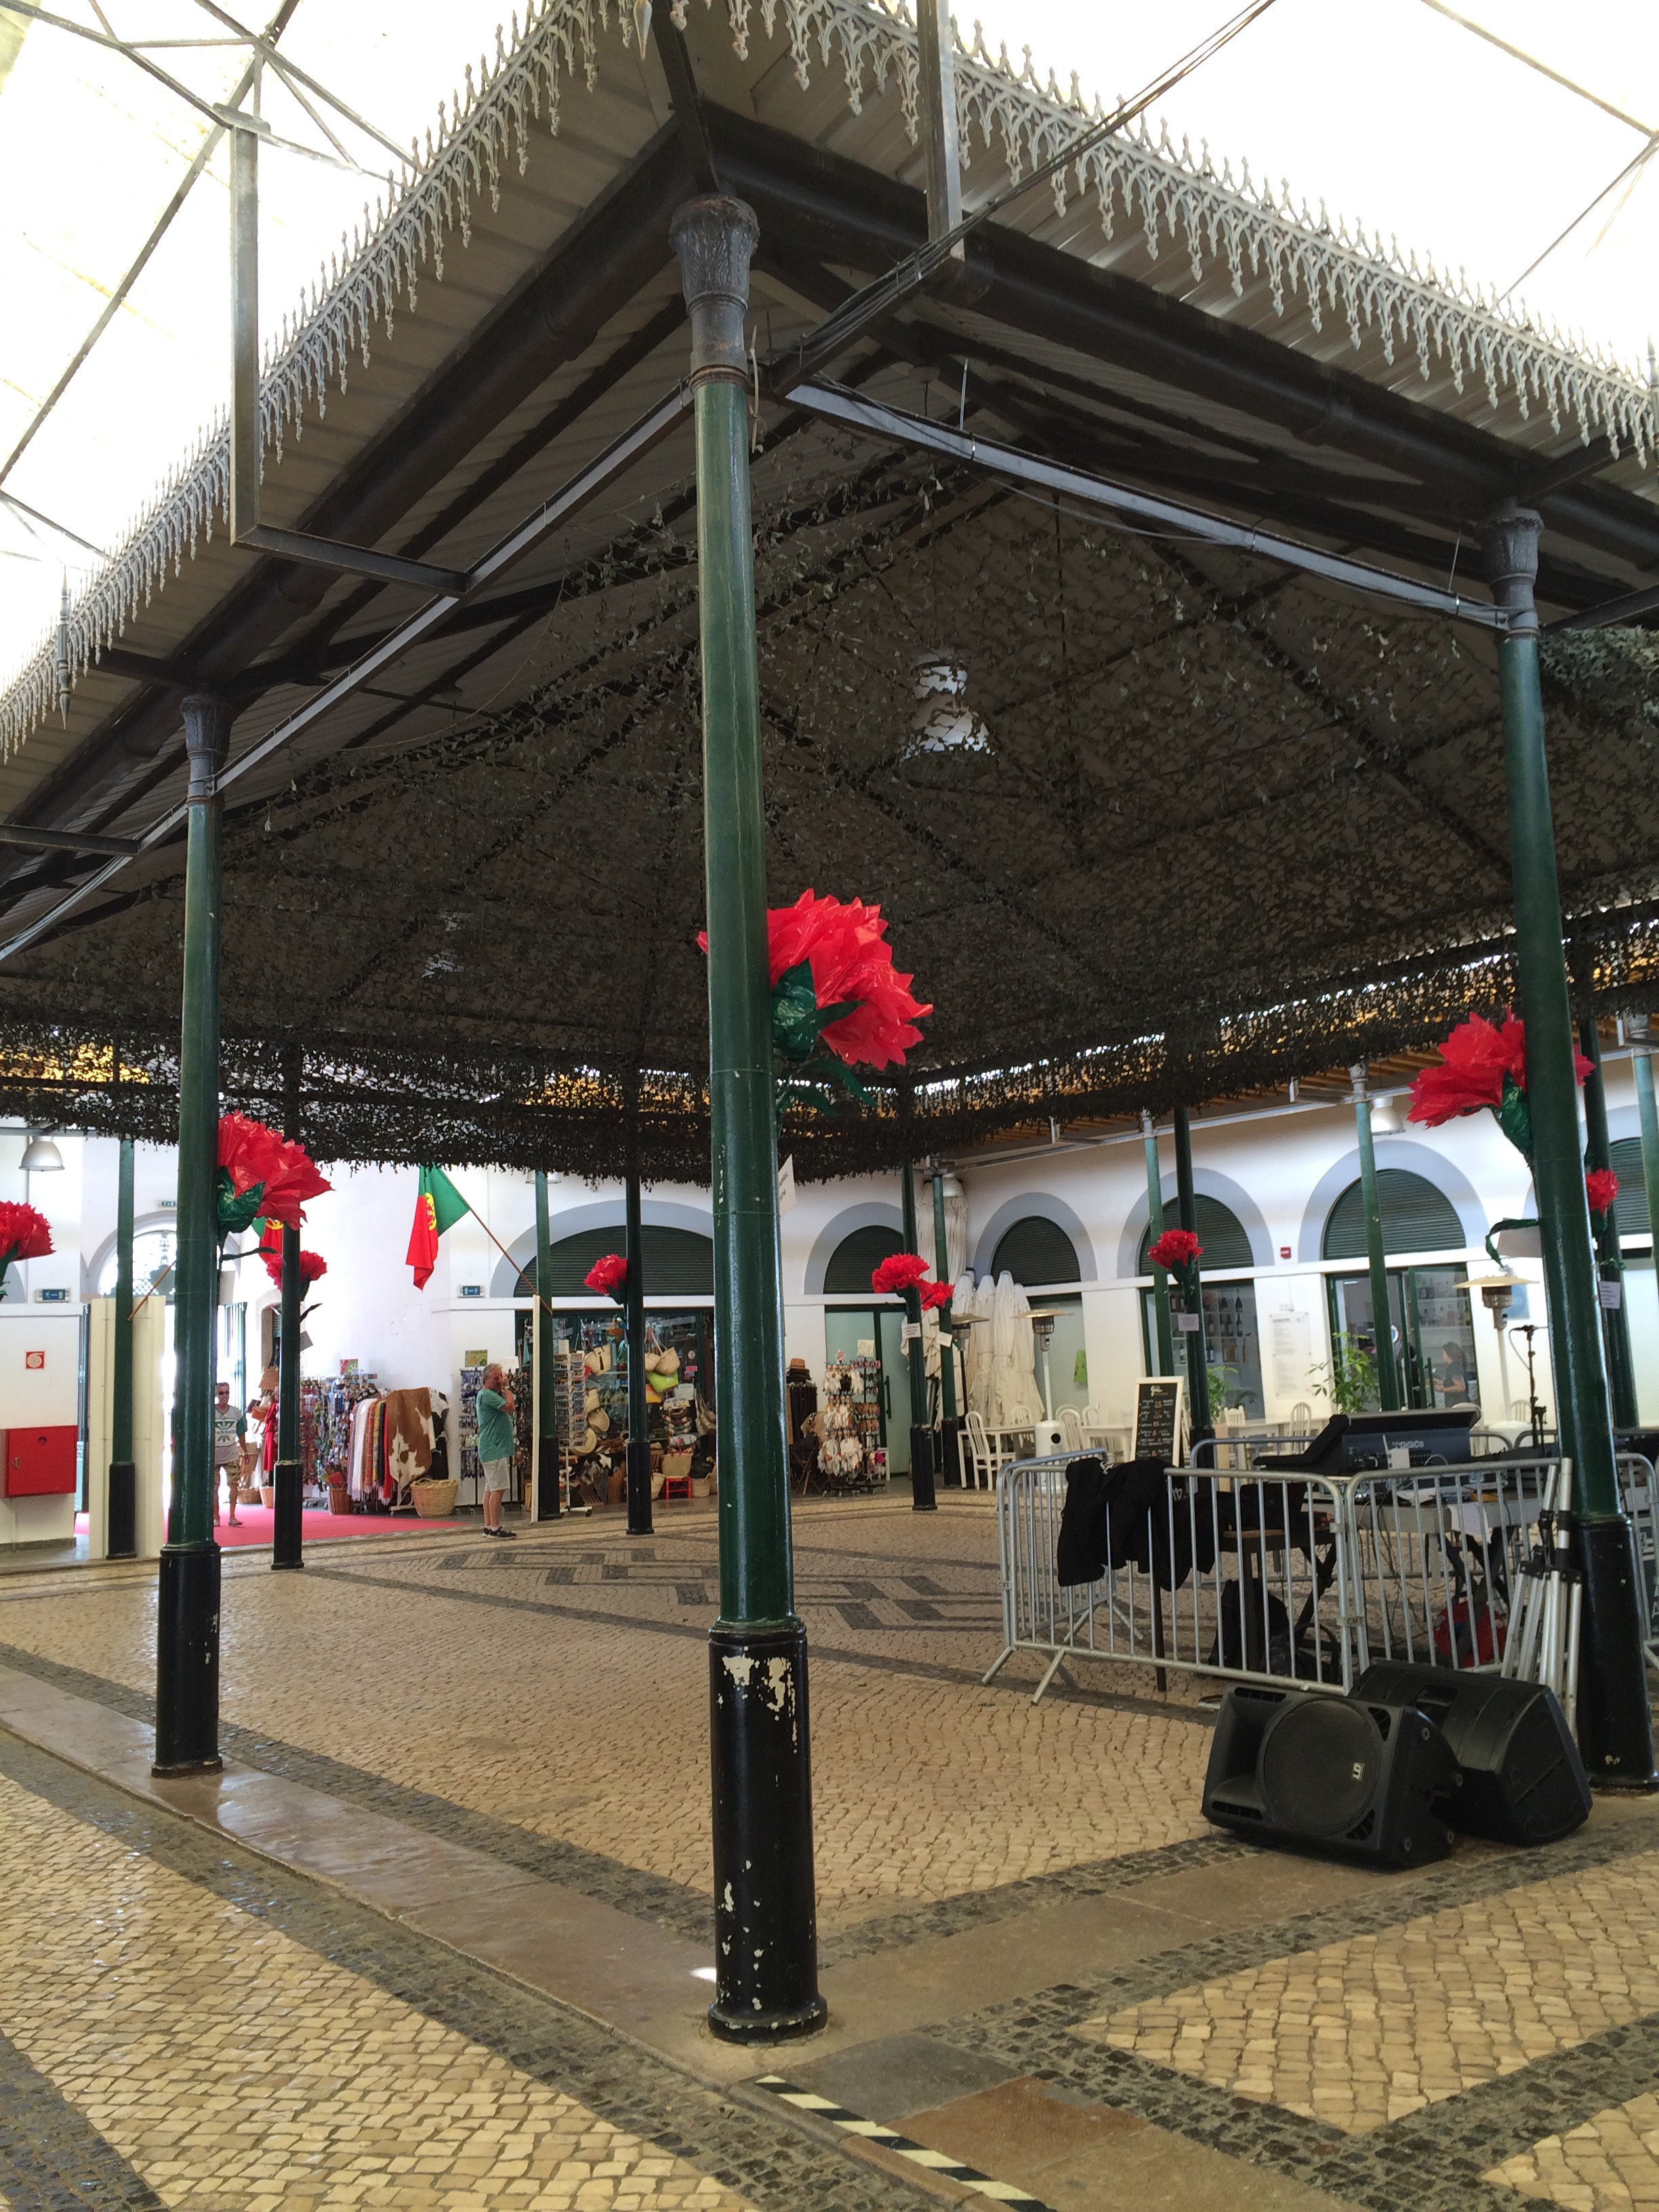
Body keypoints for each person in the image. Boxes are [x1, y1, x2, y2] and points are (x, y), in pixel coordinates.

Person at [476, 1363, 516, 1536]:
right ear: (485, 1379)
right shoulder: (487, 1395)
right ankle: (495, 1528)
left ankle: (488, 1525)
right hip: (494, 1448)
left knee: (491, 1489)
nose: (499, 1381)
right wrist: (506, 1388)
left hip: (492, 1448)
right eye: (496, 1378)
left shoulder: (486, 1395)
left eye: (501, 1377)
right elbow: (510, 1407)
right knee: (498, 1489)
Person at [212, 1381, 247, 1528]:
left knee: (234, 1485)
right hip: (214, 1456)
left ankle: (232, 1516)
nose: (225, 1396)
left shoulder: (236, 1413)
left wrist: (245, 1451)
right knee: (214, 1487)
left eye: (227, 1392)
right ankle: (216, 1517)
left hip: (231, 1455)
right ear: (216, 1394)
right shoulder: (211, 1412)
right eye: (221, 1393)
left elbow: (241, 1434)